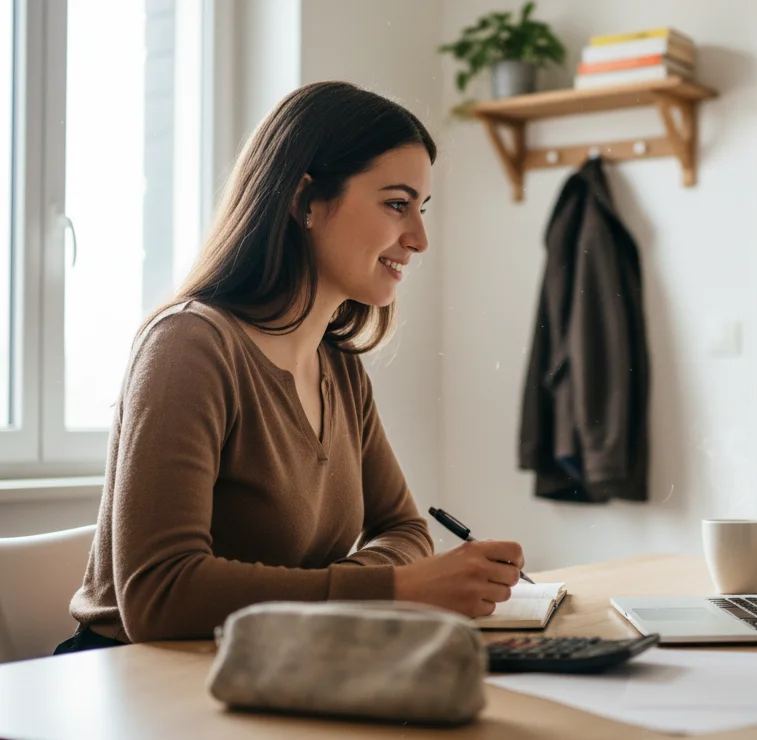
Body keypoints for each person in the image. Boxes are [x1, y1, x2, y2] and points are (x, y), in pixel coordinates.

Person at [54, 81, 524, 654]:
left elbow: (405, 531)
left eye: (420, 209)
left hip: (271, 665)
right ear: (305, 200)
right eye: (397, 204)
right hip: (131, 681)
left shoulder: (341, 371)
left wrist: (389, 584)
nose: (420, 239)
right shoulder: (189, 346)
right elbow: (159, 595)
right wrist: (392, 587)